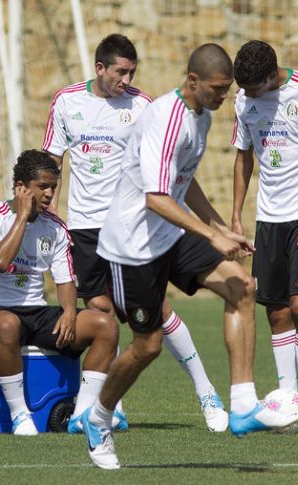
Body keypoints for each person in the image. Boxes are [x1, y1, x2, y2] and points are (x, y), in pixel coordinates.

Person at [82, 43, 298, 469]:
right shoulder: (167, 120)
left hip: (171, 232)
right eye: (219, 89)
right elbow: (156, 197)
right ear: (193, 81)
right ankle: (98, 416)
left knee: (242, 286)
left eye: (227, 90)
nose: (226, 97)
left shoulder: (201, 115)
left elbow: (185, 182)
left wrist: (222, 227)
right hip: (133, 248)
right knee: (147, 347)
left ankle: (241, 406)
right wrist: (209, 234)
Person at [42, 33, 228, 433]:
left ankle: (206, 392)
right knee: (104, 315)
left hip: (136, 227)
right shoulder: (67, 102)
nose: (126, 79)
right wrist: (52, 214)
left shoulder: (145, 106)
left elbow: (172, 171)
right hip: (87, 228)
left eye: (132, 71)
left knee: (159, 310)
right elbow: (51, 164)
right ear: (100, 69)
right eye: (120, 71)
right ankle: (114, 406)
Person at [0, 149, 118, 435]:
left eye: (53, 187)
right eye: (42, 187)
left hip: (35, 311)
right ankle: (20, 414)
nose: (49, 194)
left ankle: (83, 413)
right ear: (21, 188)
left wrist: (71, 312)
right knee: (7, 324)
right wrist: (22, 218)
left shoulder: (56, 227)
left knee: (105, 325)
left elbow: (64, 280)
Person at [230, 40, 298, 433]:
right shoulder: (243, 100)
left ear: (271, 75)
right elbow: (243, 156)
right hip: (268, 221)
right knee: (275, 311)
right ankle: (287, 401)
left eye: (254, 87)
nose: (248, 95)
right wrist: (237, 216)